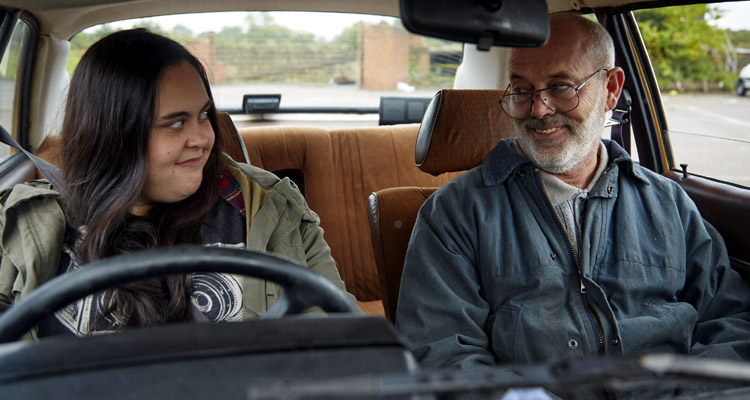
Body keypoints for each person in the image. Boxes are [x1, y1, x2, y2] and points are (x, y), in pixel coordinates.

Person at [395, 13, 750, 399]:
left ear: (611, 89)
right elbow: (442, 353)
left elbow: (731, 322)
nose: (539, 109)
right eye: (522, 91)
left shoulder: (668, 204)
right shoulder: (455, 214)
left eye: (561, 87)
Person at [0, 29, 356, 339]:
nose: (202, 137)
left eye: (203, 115)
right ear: (113, 135)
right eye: (175, 123)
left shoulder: (273, 208)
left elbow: (342, 341)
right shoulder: (25, 221)